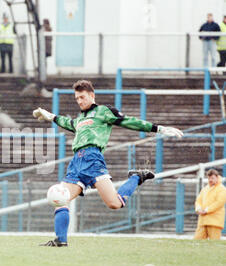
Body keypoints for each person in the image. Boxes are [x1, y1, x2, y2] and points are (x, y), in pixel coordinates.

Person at [33, 80, 184, 247]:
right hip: (76, 162)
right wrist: (51, 116)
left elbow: (128, 121)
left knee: (114, 203)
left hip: (93, 159)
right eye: (77, 98)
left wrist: (158, 128)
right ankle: (60, 240)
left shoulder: (103, 111)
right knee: (61, 199)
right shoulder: (80, 118)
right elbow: (68, 124)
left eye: (82, 97)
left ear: (92, 95)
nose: (80, 101)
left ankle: (136, 177)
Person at [194, 169, 226, 240]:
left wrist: (206, 210)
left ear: (217, 178)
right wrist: (198, 209)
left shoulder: (222, 189)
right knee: (197, 241)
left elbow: (219, 203)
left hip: (215, 221)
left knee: (214, 242)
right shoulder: (205, 189)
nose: (210, 180)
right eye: (209, 178)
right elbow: (198, 200)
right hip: (203, 220)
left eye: (212, 178)